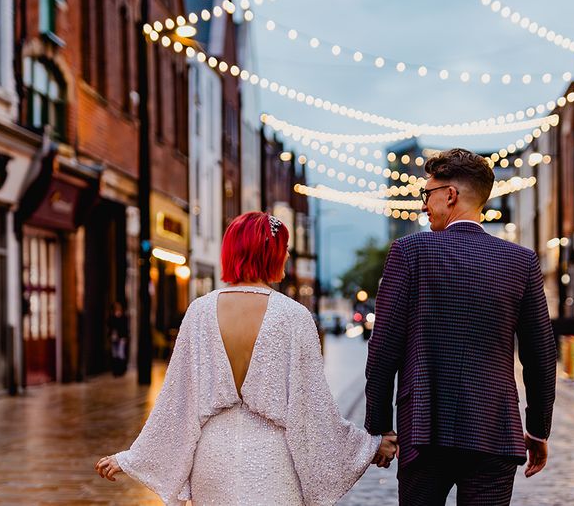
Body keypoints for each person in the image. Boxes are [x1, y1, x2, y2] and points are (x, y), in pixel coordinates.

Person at [96, 211, 397, 505]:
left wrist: (132, 459)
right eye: (284, 250)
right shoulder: (294, 317)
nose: (288, 257)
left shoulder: (199, 312)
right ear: (270, 254)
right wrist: (370, 446)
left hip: (212, 464)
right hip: (273, 466)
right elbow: (314, 412)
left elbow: (177, 402)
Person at [365, 148, 557, 506]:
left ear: (449, 195)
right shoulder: (521, 261)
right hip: (494, 430)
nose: (423, 204)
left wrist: (379, 428)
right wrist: (537, 428)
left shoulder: (410, 251)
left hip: (424, 428)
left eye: (427, 194)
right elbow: (541, 355)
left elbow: (383, 349)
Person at [108, 302, 129, 377]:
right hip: (114, 338)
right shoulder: (112, 316)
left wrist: (125, 337)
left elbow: (125, 328)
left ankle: (121, 370)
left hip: (121, 337)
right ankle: (115, 371)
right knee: (114, 354)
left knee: (121, 354)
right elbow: (110, 326)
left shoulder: (123, 317)